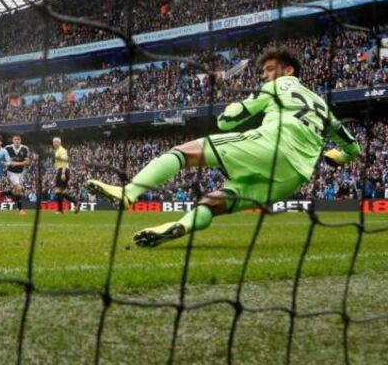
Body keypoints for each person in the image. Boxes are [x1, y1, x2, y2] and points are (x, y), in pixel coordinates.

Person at [88, 48, 361, 248]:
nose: (266, 75)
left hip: (270, 146)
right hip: (293, 177)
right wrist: (336, 156)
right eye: (264, 71)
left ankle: (129, 192)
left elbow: (228, 121)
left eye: (270, 69)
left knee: (183, 152)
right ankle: (181, 225)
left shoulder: (279, 85)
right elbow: (352, 146)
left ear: (288, 71)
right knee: (214, 201)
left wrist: (230, 110)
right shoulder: (323, 106)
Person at [5, 134, 31, 216]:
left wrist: (16, 163)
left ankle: (4, 193)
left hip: (21, 172)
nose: (16, 141)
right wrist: (8, 163)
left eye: (18, 139)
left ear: (20, 140)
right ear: (12, 140)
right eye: (15, 139)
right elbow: (3, 160)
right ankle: (20, 209)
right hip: (11, 172)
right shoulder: (7, 148)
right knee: (19, 188)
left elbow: (27, 162)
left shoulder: (25, 148)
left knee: (16, 191)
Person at [52, 137, 78, 214]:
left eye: (57, 142)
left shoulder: (61, 150)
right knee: (61, 192)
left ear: (60, 142)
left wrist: (63, 173)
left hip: (63, 170)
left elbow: (64, 161)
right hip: (62, 170)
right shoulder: (57, 151)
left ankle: (60, 210)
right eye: (54, 142)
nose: (55, 143)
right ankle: (75, 203)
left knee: (58, 191)